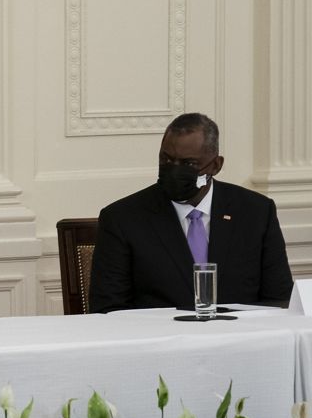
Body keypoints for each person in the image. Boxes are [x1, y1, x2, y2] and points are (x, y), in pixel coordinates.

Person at [89, 113, 293, 313]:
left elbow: (280, 300)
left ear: (215, 165)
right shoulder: (122, 219)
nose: (174, 170)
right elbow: (109, 310)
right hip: (161, 341)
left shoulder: (255, 212)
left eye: (188, 164)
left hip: (241, 340)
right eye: (166, 160)